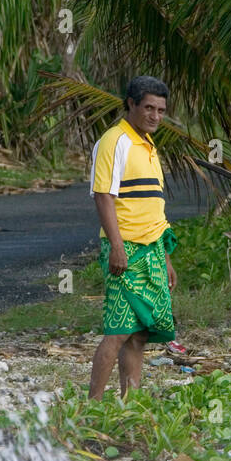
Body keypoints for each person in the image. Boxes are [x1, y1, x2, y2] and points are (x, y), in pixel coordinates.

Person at [88, 75, 179, 398]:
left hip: (151, 249)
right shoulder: (115, 141)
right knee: (118, 331)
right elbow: (103, 196)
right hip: (125, 249)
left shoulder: (149, 145)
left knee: (139, 333)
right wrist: (116, 247)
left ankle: (131, 403)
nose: (155, 116)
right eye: (149, 108)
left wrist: (165, 258)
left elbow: (154, 208)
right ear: (131, 104)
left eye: (161, 110)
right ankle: (92, 408)